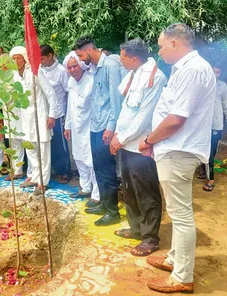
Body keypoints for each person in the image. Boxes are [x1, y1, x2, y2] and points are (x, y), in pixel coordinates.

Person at [138, 23, 216, 294]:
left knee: (181, 215)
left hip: (179, 150)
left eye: (160, 45)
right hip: (173, 148)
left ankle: (183, 276)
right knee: (176, 210)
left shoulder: (193, 69)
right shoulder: (185, 69)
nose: (159, 51)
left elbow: (175, 119)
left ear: (174, 43)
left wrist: (149, 140)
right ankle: (175, 260)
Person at [109, 38, 167, 256]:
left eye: (123, 57)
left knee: (146, 191)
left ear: (134, 58)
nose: (121, 60)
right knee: (129, 189)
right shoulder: (133, 76)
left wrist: (120, 138)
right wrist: (118, 134)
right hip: (126, 143)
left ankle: (151, 238)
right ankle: (136, 228)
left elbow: (144, 117)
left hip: (141, 146)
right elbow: (127, 111)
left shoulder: (155, 78)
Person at [74, 36, 123, 226]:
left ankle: (113, 212)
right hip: (95, 126)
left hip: (105, 128)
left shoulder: (110, 66)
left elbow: (115, 100)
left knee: (107, 170)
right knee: (99, 169)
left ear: (88, 51)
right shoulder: (94, 69)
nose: (80, 59)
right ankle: (103, 203)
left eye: (80, 55)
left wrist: (111, 128)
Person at [10, 46, 56, 195]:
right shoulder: (16, 76)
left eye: (18, 58)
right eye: (13, 58)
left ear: (24, 58)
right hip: (26, 118)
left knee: (43, 149)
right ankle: (35, 177)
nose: (16, 61)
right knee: (30, 148)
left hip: (40, 116)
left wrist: (52, 115)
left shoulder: (35, 71)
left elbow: (51, 93)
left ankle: (43, 182)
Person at [63, 51, 100, 204]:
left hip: (90, 127)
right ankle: (85, 188)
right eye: (69, 67)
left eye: (75, 66)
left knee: (91, 160)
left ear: (82, 65)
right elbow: (70, 107)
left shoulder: (91, 80)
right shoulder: (71, 82)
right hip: (76, 128)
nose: (72, 70)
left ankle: (97, 195)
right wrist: (67, 126)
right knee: (78, 157)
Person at [40, 44, 71, 184]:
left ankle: (65, 171)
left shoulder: (61, 71)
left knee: (60, 144)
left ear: (50, 56)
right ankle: (53, 170)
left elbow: (68, 91)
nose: (40, 61)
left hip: (58, 113)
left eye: (42, 58)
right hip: (44, 113)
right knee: (48, 143)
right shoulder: (40, 70)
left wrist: (67, 113)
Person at [198, 65, 227, 191]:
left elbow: (225, 103)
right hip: (203, 124)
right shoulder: (203, 84)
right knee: (202, 148)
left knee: (212, 152)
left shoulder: (223, 86)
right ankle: (207, 174)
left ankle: (209, 175)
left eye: (218, 72)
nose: (216, 74)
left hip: (216, 124)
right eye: (213, 71)